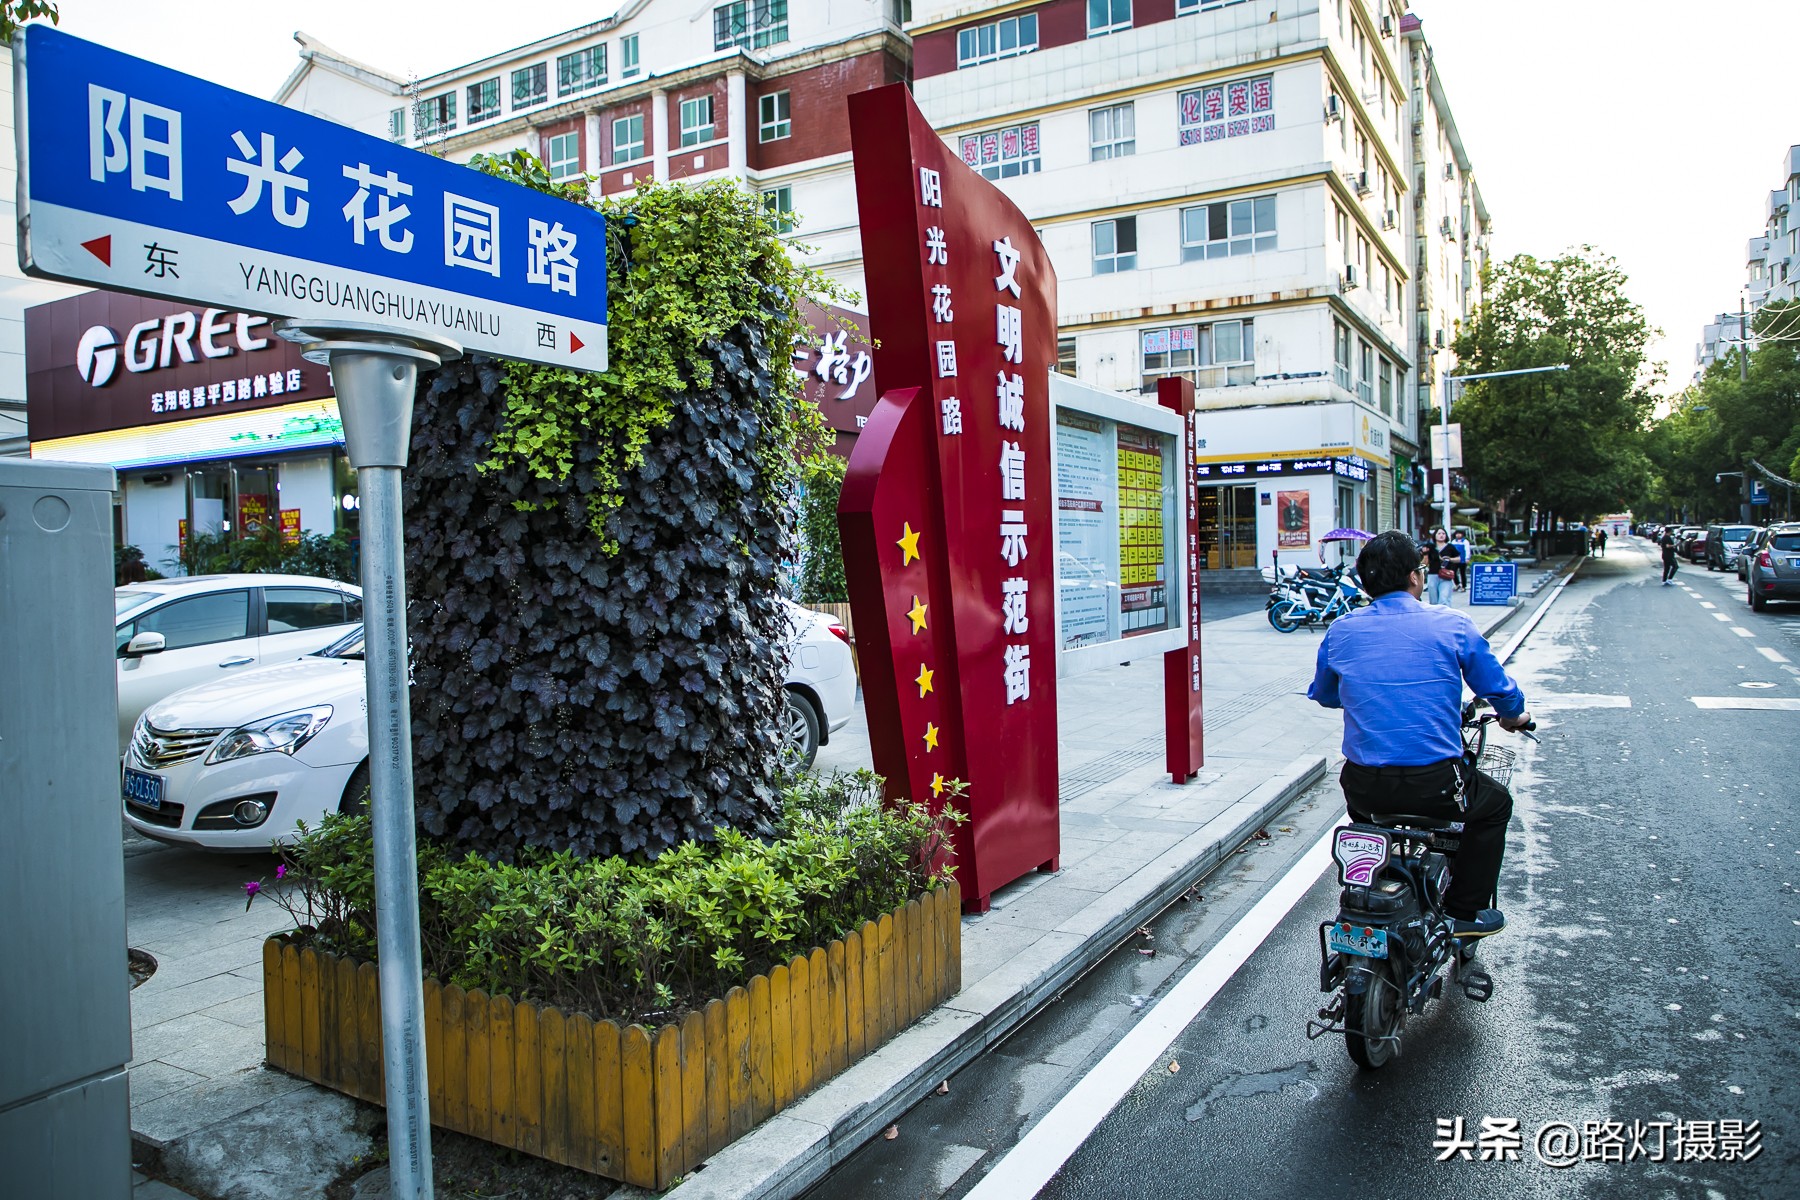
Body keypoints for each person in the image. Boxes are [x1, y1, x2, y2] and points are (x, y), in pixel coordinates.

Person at [1307, 530, 1532, 938]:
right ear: (1415, 577)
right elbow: (1499, 690)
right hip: (1436, 784)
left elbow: (1325, 695)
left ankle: (1376, 879)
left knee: (1369, 819)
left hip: (1363, 785)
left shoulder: (1340, 630)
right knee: (1495, 805)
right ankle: (1465, 912)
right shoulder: (1452, 624)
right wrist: (1514, 717)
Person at [1424, 528, 1458, 605]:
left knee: (1444, 598)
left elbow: (1459, 559)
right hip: (1433, 574)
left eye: (1443, 533)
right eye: (1439, 534)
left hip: (1446, 575)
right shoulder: (1430, 547)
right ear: (1435, 536)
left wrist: (1450, 559)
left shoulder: (1450, 547)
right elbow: (1425, 562)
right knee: (1433, 600)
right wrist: (1425, 554)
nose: (1441, 535)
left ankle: (1445, 615)